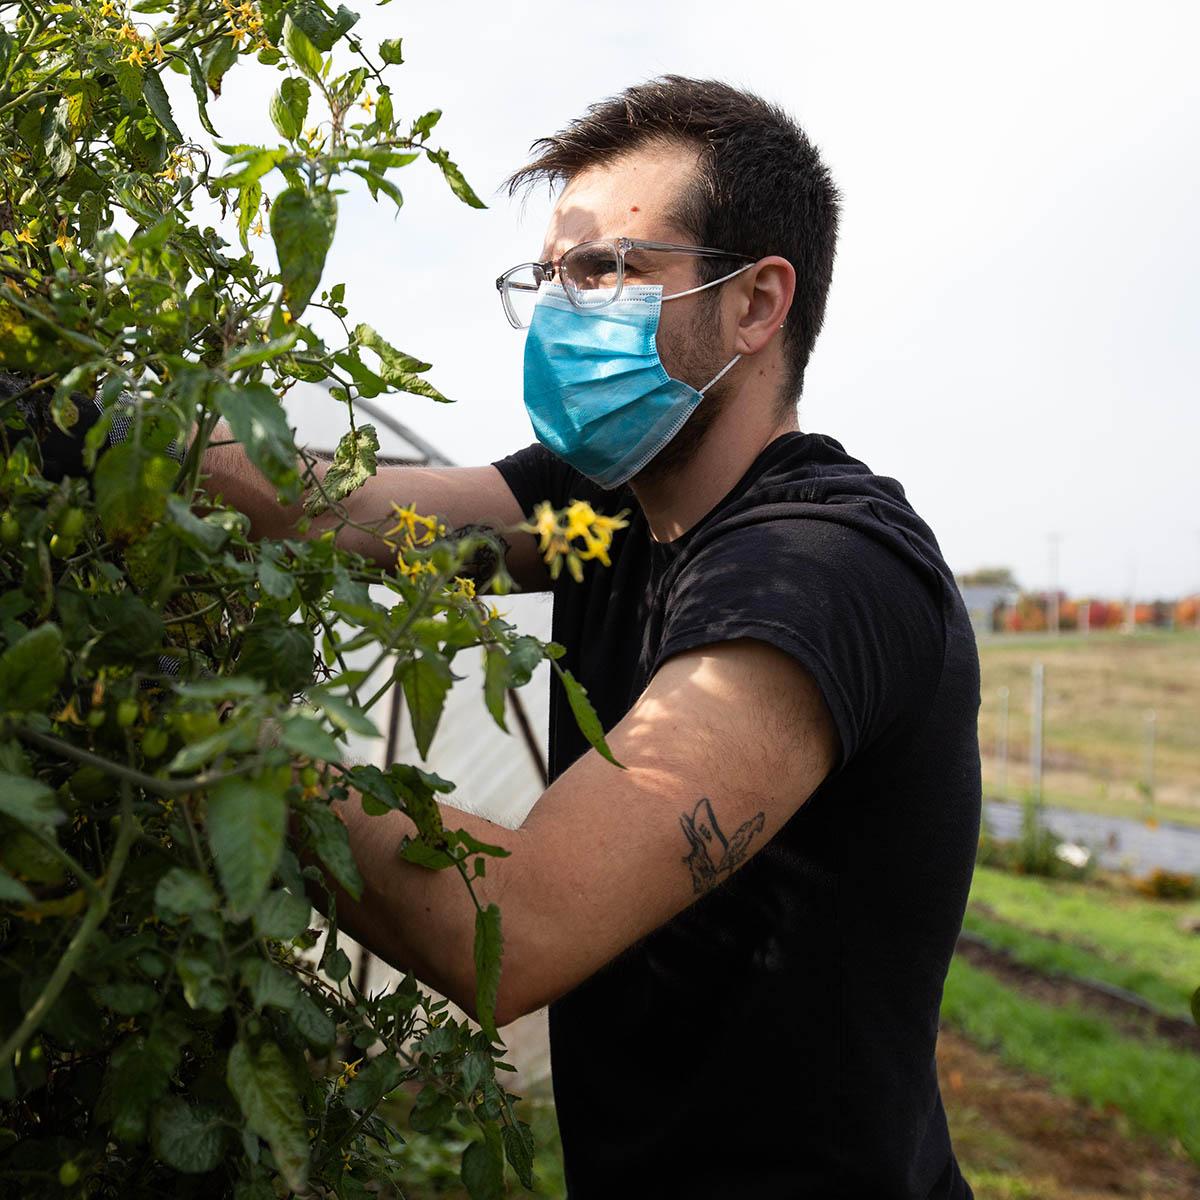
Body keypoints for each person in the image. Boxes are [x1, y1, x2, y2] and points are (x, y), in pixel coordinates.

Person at [205, 76, 981, 1199]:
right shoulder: (600, 510)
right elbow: (355, 511)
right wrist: (124, 438)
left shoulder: (821, 571)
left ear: (759, 304)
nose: (567, 312)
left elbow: (513, 927)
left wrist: (208, 738)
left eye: (612, 270)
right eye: (552, 277)